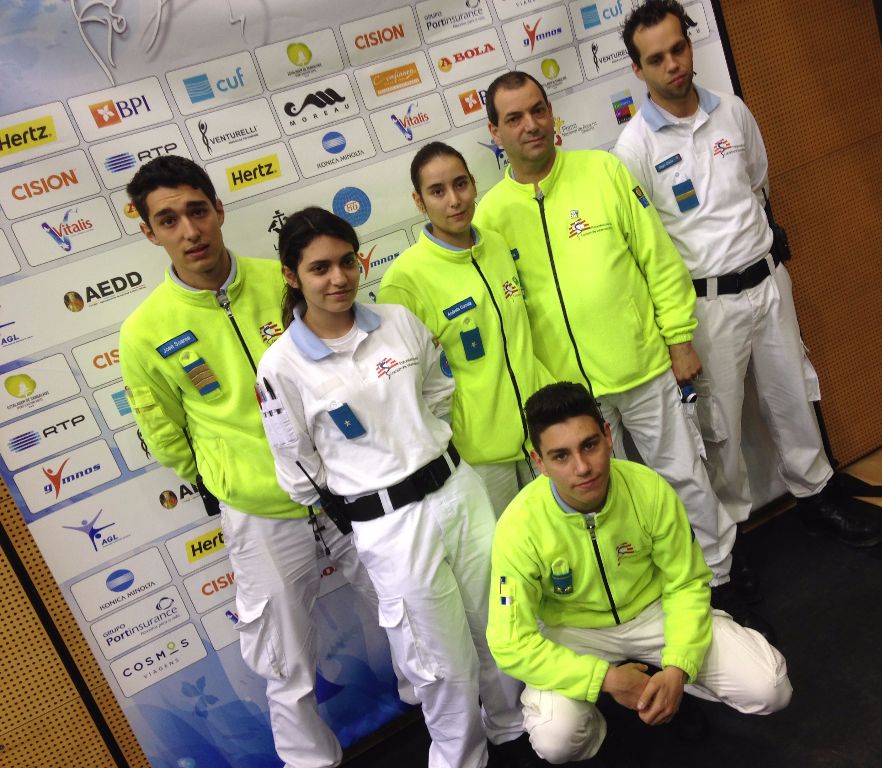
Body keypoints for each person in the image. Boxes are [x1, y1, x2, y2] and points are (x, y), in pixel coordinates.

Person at [120, 157, 395, 768]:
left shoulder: (283, 281)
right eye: (168, 220)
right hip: (259, 509)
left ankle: (442, 713)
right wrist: (226, 478)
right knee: (284, 659)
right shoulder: (144, 331)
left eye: (197, 211)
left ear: (219, 210)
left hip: (346, 483)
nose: (190, 230)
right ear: (149, 232)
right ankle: (310, 761)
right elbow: (164, 433)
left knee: (402, 603)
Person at [474, 71, 769, 633]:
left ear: (551, 112)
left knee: (683, 477)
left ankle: (721, 576)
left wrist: (679, 339)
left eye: (538, 110)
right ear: (495, 132)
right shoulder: (490, 217)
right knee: (602, 503)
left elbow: (658, 258)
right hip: (569, 397)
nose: (531, 125)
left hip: (642, 366)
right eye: (514, 118)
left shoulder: (603, 170)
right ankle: (647, 600)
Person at [613, 0, 882, 563]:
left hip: (767, 281)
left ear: (690, 45)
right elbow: (641, 245)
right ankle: (732, 539)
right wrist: (675, 334)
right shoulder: (635, 148)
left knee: (792, 397)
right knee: (720, 431)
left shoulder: (732, 111)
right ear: (637, 69)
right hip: (706, 305)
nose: (673, 64)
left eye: (678, 49)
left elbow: (758, 183)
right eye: (656, 58)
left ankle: (815, 496)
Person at [256, 207, 523, 768]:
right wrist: (370, 492)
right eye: (320, 268)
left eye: (347, 262)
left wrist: (415, 445)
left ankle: (515, 729)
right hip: (390, 525)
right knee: (439, 662)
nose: (338, 278)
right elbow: (300, 470)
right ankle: (462, 758)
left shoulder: (397, 321)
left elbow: (438, 391)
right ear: (291, 276)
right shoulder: (281, 367)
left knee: (500, 624)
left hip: (458, 491)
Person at [487, 382, 792, 763]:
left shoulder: (650, 490)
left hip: (653, 611)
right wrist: (605, 679)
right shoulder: (517, 529)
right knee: (556, 739)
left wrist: (678, 668)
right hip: (575, 631)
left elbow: (686, 583)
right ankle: (604, 713)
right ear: (539, 462)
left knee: (771, 688)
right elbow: (509, 642)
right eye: (561, 456)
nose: (582, 467)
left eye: (589, 445)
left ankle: (667, 684)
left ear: (608, 436)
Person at [378, 141, 552, 514]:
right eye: (437, 191)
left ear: (473, 184)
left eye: (460, 184)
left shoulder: (497, 246)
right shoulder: (403, 281)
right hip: (478, 457)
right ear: (419, 201)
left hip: (540, 433)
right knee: (503, 549)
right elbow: (405, 389)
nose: (454, 200)